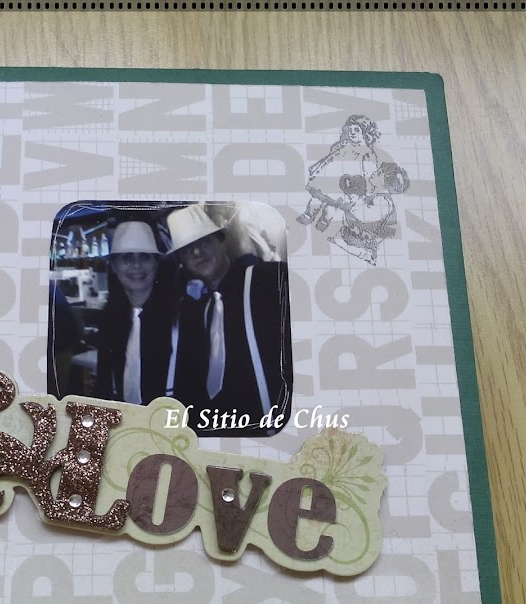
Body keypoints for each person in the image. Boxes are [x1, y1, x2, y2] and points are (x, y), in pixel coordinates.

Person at [167, 204, 293, 437]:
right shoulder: (200, 311)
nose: (197, 253)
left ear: (222, 241)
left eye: (204, 241)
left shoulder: (266, 279)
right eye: (187, 250)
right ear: (182, 260)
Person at [95, 221, 175, 404]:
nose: (136, 265)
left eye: (145, 257)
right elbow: (103, 382)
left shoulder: (179, 316)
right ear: (114, 266)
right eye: (127, 258)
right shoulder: (109, 318)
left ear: (156, 263)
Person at [297, 114, 382, 232]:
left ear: (366, 133)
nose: (352, 133)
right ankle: (309, 214)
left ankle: (324, 221)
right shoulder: (345, 146)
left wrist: (366, 191)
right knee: (317, 196)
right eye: (350, 130)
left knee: (334, 204)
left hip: (347, 184)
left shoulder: (367, 153)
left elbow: (370, 172)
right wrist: (318, 167)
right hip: (330, 177)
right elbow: (330, 158)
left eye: (356, 130)